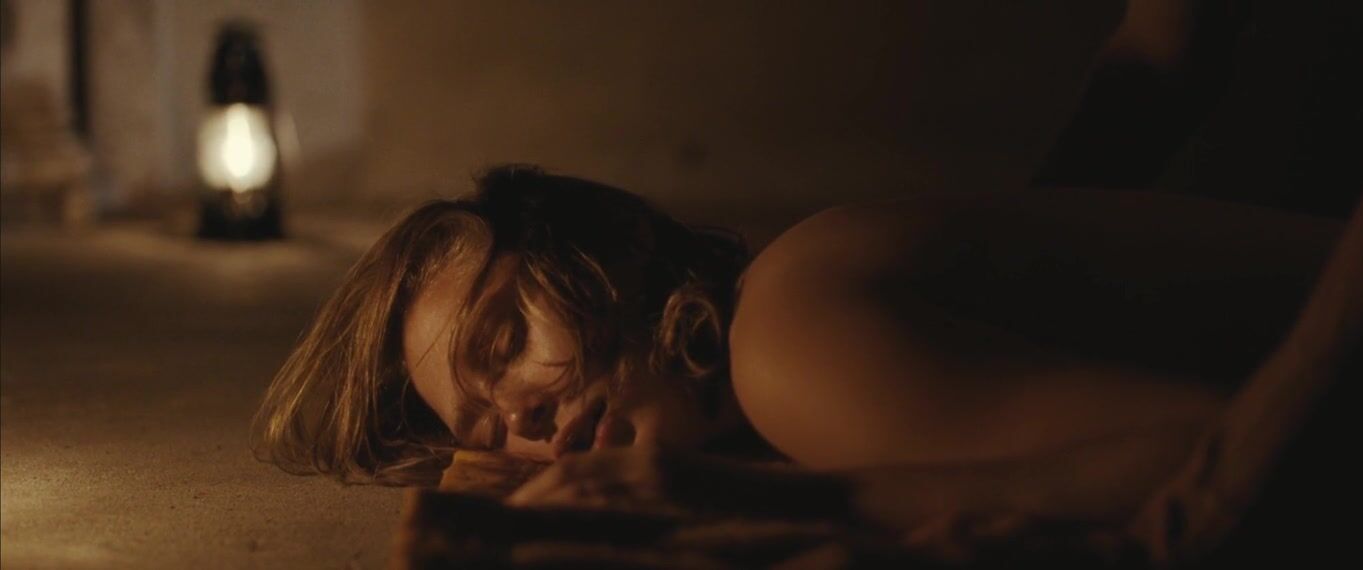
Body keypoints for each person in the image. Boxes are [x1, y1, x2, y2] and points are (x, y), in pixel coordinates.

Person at [252, 162, 1360, 563]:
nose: (524, 420)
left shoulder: (783, 338)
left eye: (502, 343)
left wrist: (709, 495)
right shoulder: (789, 307)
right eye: (486, 427)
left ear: (613, 248)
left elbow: (1234, 463)